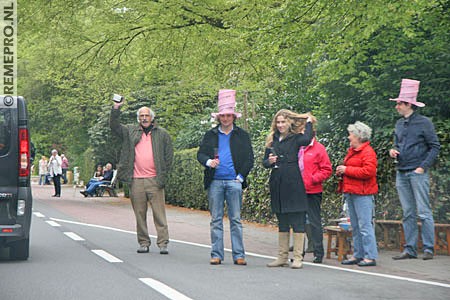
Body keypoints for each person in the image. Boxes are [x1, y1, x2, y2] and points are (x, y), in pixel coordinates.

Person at [197, 89, 254, 266]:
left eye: (229, 116)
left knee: (236, 220)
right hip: (215, 181)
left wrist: (240, 177)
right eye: (223, 116)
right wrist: (208, 162)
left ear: (233, 117)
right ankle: (216, 254)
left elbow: (249, 159)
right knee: (216, 219)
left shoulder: (242, 135)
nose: (226, 119)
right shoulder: (210, 135)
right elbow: (200, 154)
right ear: (219, 118)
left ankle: (239, 255)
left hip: (234, 181)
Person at [110, 98, 173, 255]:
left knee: (159, 213)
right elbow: (114, 126)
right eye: (141, 116)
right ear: (138, 119)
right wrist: (116, 108)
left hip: (155, 179)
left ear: (152, 118)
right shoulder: (130, 131)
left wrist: (163, 176)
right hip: (136, 180)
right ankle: (143, 242)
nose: (144, 118)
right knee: (139, 214)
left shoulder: (162, 134)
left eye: (147, 115)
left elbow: (169, 157)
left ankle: (163, 243)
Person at [388, 79, 440, 261]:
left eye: (399, 104)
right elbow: (397, 143)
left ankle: (428, 248)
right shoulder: (399, 124)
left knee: (424, 211)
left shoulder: (424, 123)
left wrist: (422, 167)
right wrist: (393, 150)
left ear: (408, 104)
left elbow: (435, 147)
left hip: (417, 172)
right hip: (401, 171)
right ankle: (409, 249)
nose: (397, 107)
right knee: (408, 212)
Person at [263, 109, 314, 269]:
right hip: (277, 181)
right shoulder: (272, 139)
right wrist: (269, 161)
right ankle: (282, 257)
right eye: (278, 122)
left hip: (293, 181)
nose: (280, 125)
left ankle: (298, 257)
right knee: (282, 221)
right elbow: (264, 162)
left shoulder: (296, 138)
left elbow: (307, 139)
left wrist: (309, 122)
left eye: (283, 122)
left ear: (289, 122)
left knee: (298, 220)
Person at [336, 121, 378, 267]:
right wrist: (342, 172)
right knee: (355, 225)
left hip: (363, 193)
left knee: (365, 225)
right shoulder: (353, 151)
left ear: (359, 136)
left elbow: (369, 172)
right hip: (352, 191)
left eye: (351, 134)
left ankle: (370, 256)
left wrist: (346, 170)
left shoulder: (368, 152)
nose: (349, 137)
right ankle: (358, 254)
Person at [298, 133, 332, 263]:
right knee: (298, 222)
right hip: (297, 190)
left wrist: (313, 179)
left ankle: (319, 252)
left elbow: (327, 169)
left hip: (313, 191)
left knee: (314, 221)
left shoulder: (319, 148)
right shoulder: (298, 147)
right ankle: (298, 253)